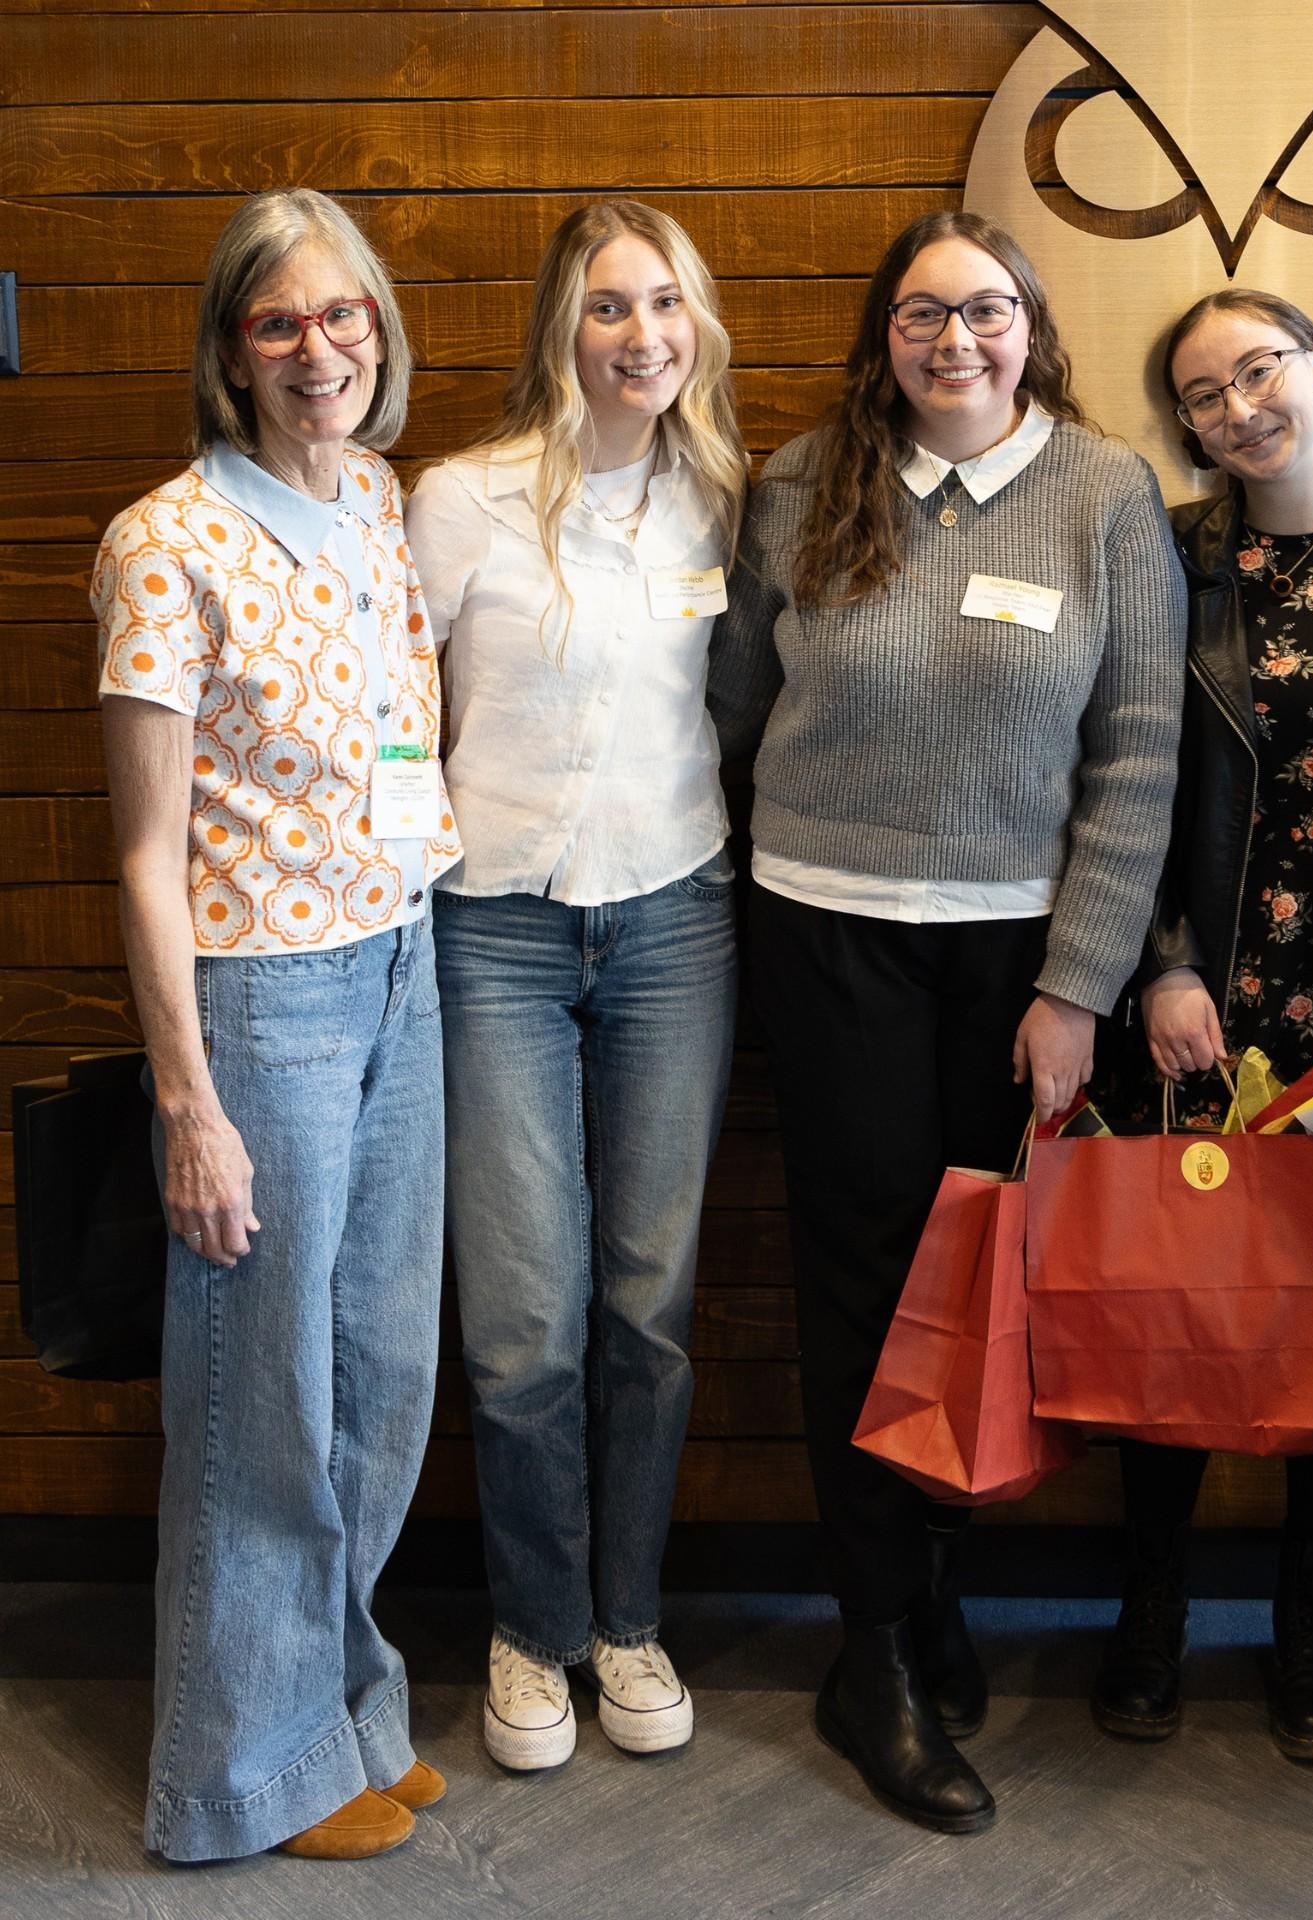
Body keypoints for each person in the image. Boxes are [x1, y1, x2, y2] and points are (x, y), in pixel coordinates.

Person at [706, 209, 1186, 1833]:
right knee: (858, 1285)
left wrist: (1078, 987)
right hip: (824, 933)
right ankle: (875, 1650)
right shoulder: (798, 483)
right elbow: (734, 706)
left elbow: (1137, 761)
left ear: (1031, 324)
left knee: (980, 1289)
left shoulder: (1106, 493)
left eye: (985, 310)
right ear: (884, 333)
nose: (954, 340)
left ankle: (926, 1587)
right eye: (923, 314)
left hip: (1010, 966)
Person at [95, 189, 460, 1862]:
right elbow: (145, 855)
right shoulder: (166, 538)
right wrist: (192, 1102)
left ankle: (343, 1717)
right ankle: (237, 1780)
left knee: (380, 1372)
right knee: (264, 1397)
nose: (321, 349)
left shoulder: (379, 499)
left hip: (405, 964)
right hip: (266, 1006)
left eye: (345, 317)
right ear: (231, 349)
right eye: (280, 322)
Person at [1092, 289, 1313, 1759]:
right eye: (1201, 393)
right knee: (1176, 1308)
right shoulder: (1169, 558)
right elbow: (1120, 773)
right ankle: (1153, 1600)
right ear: (1181, 425)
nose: (1240, 405)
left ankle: (1311, 1606)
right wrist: (1161, 962)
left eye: (1261, 369)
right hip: (1210, 994)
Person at [406, 201, 748, 1772]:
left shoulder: (724, 496)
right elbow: (402, 718)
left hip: (676, 915)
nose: (640, 336)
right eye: (608, 306)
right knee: (527, 1319)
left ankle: (631, 1621)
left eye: (663, 303)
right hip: (492, 928)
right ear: (563, 325)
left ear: (697, 322)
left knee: (649, 1306)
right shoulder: (462, 498)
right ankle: (531, 1632)